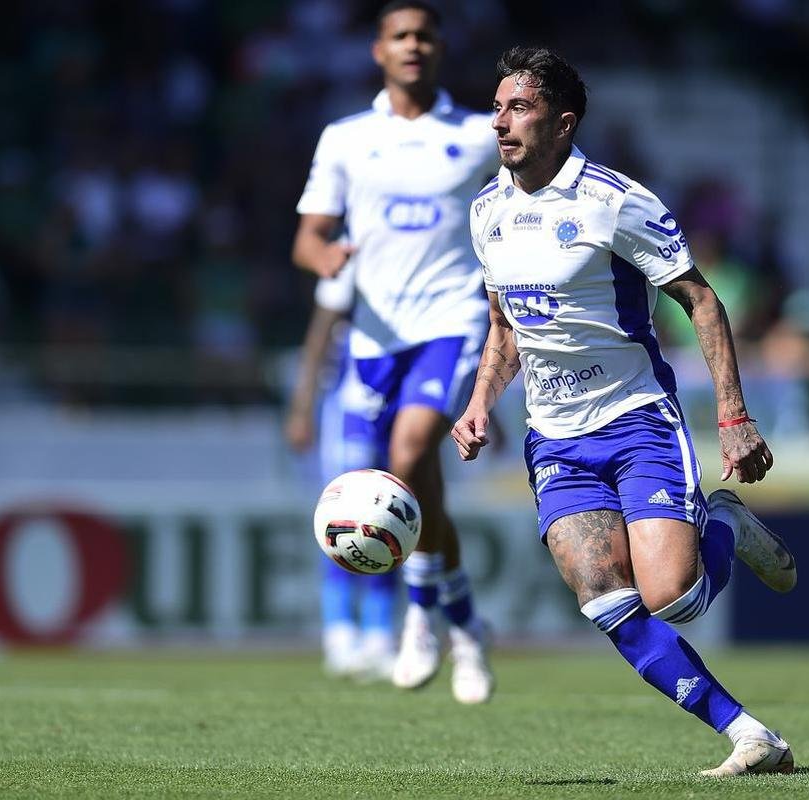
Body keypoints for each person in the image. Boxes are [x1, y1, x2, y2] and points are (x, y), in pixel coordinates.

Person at [451, 46, 798, 777]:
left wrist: (733, 415)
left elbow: (700, 298)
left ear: (564, 124)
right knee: (602, 597)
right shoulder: (486, 211)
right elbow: (506, 327)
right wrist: (480, 402)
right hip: (555, 439)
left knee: (671, 597)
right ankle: (746, 734)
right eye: (497, 106)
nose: (500, 122)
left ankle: (725, 522)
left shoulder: (613, 201)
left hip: (635, 420)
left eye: (520, 108)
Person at [292, 0, 499, 704]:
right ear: (378, 50)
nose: (412, 45)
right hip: (375, 336)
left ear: (439, 49)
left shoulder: (476, 136)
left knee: (407, 457)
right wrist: (326, 256)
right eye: (399, 35)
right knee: (408, 481)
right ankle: (462, 617)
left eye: (424, 35)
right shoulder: (347, 139)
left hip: (452, 319)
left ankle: (419, 616)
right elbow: (307, 237)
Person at [285, 261, 399, 682]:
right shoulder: (352, 260)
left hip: (394, 414)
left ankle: (379, 639)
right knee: (345, 523)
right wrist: (302, 407)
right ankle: (339, 637)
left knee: (391, 525)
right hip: (349, 414)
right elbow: (318, 338)